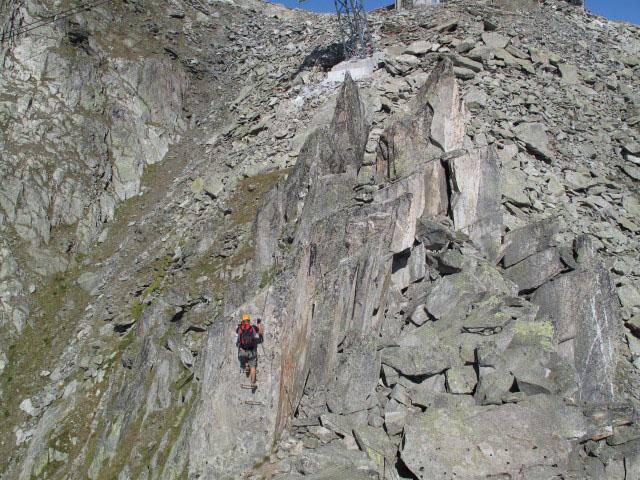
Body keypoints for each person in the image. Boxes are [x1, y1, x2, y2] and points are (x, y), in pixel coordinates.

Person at [236, 314, 263, 386]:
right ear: (249, 321)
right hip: (251, 351)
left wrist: (240, 326)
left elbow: (239, 336)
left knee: (244, 350)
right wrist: (259, 323)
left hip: (242, 352)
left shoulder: (239, 328)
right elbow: (260, 333)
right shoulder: (253, 327)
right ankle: (253, 382)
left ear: (243, 321)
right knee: (253, 367)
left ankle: (246, 365)